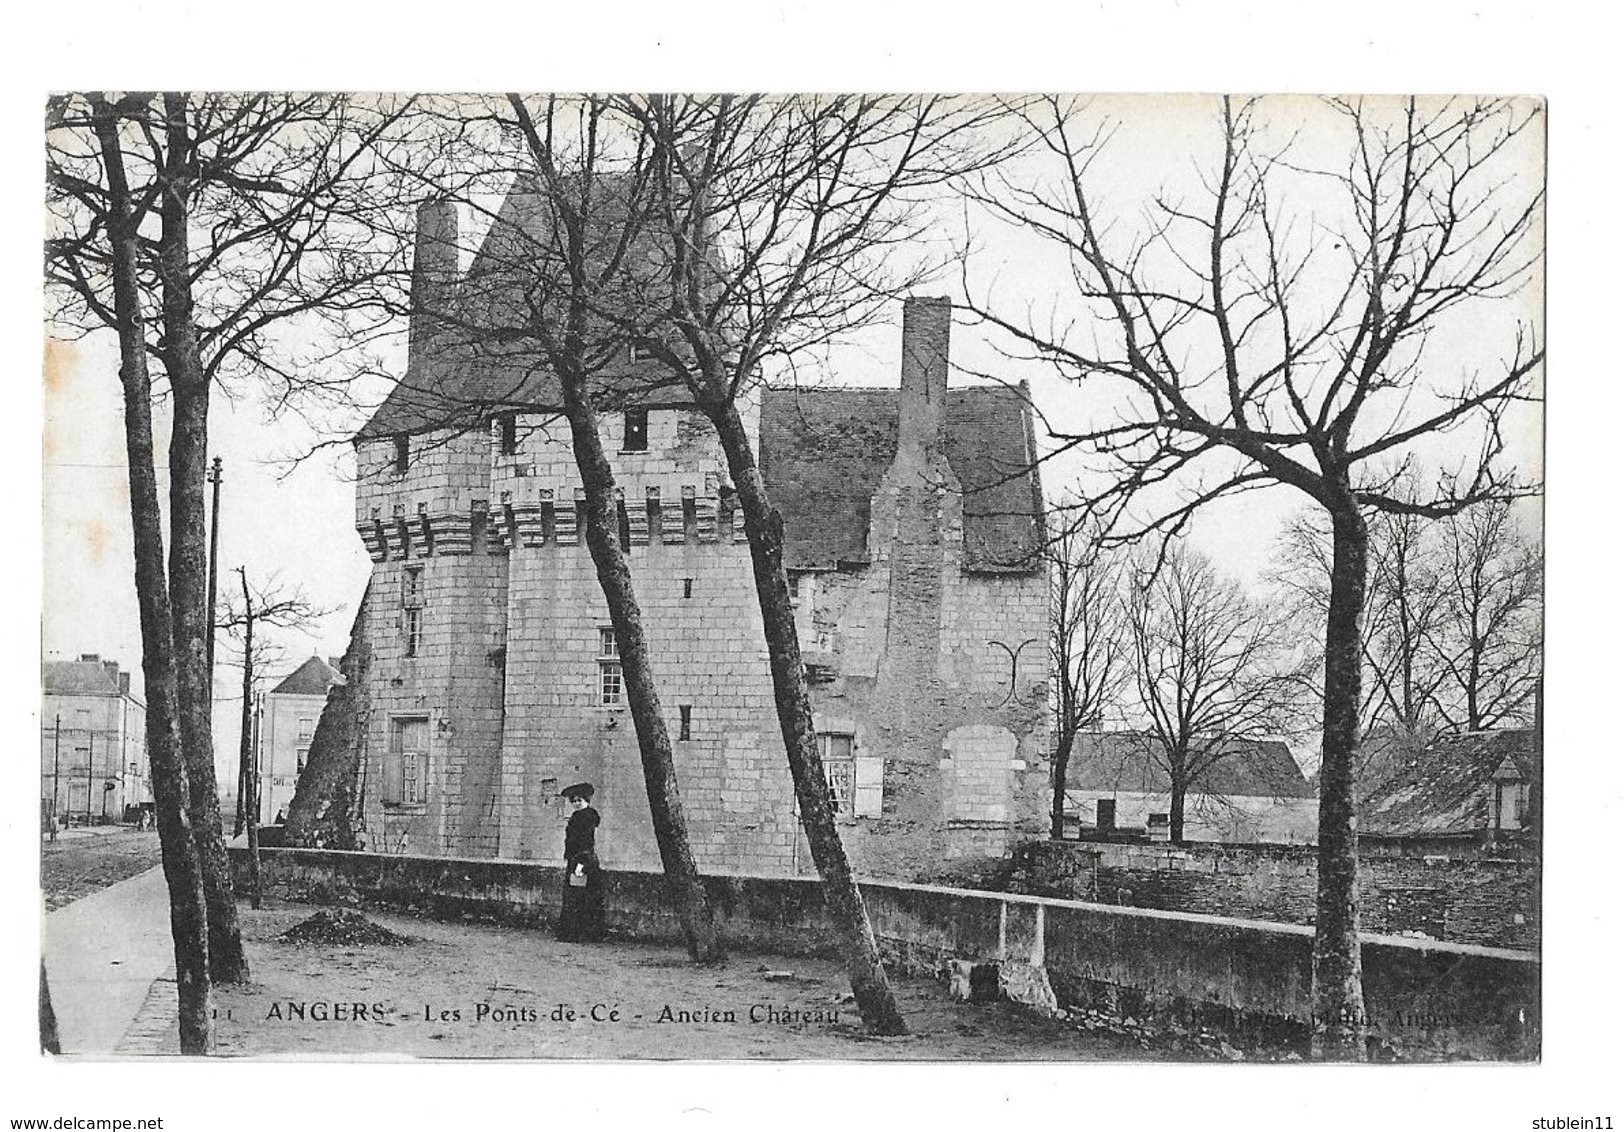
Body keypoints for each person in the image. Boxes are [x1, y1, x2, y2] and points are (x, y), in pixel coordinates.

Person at [556, 783, 604, 942]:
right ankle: (572, 932)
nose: (576, 803)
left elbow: (586, 842)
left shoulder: (588, 816)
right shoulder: (577, 816)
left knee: (582, 897)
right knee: (574, 896)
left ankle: (583, 933)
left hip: (583, 861)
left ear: (586, 800)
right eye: (574, 801)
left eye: (579, 800)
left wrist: (581, 864)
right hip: (575, 860)